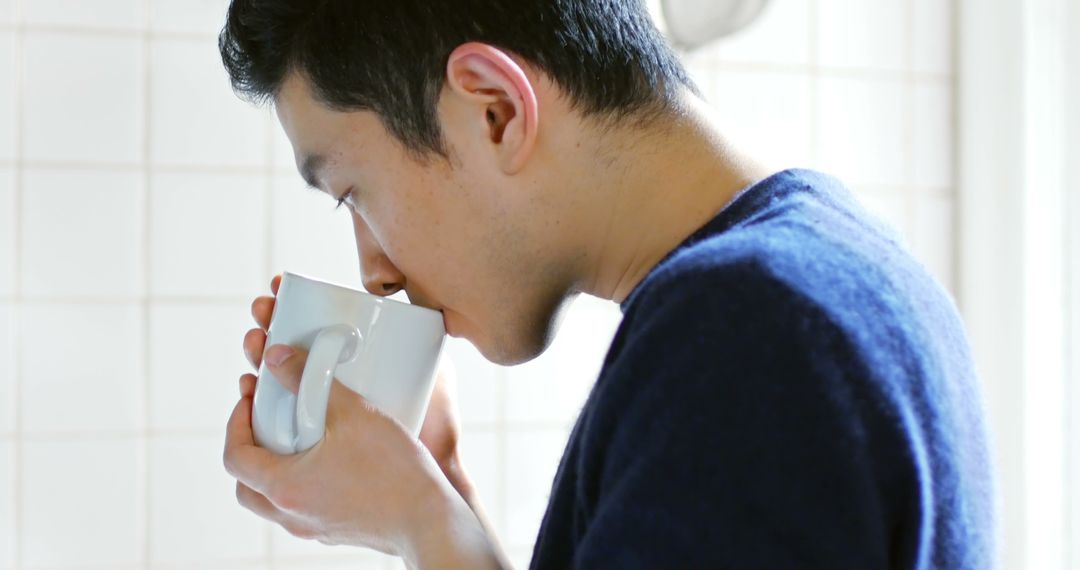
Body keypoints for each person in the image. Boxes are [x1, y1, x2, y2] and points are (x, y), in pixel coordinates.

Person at [219, 1, 996, 568]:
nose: (374, 272)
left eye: (352, 195)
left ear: (493, 111)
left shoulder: (746, 334)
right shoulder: (822, 272)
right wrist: (445, 502)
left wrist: (422, 525)